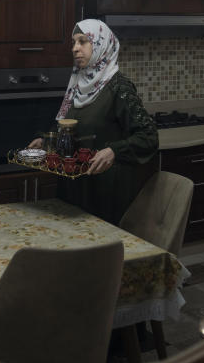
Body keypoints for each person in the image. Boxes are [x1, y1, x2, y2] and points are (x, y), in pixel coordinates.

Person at [29, 19, 158, 225]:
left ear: (100, 45)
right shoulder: (78, 84)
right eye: (73, 43)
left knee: (101, 253)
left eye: (82, 42)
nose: (75, 48)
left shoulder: (119, 88)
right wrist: (47, 140)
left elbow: (148, 137)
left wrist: (114, 151)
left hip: (104, 193)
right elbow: (70, 123)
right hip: (73, 188)